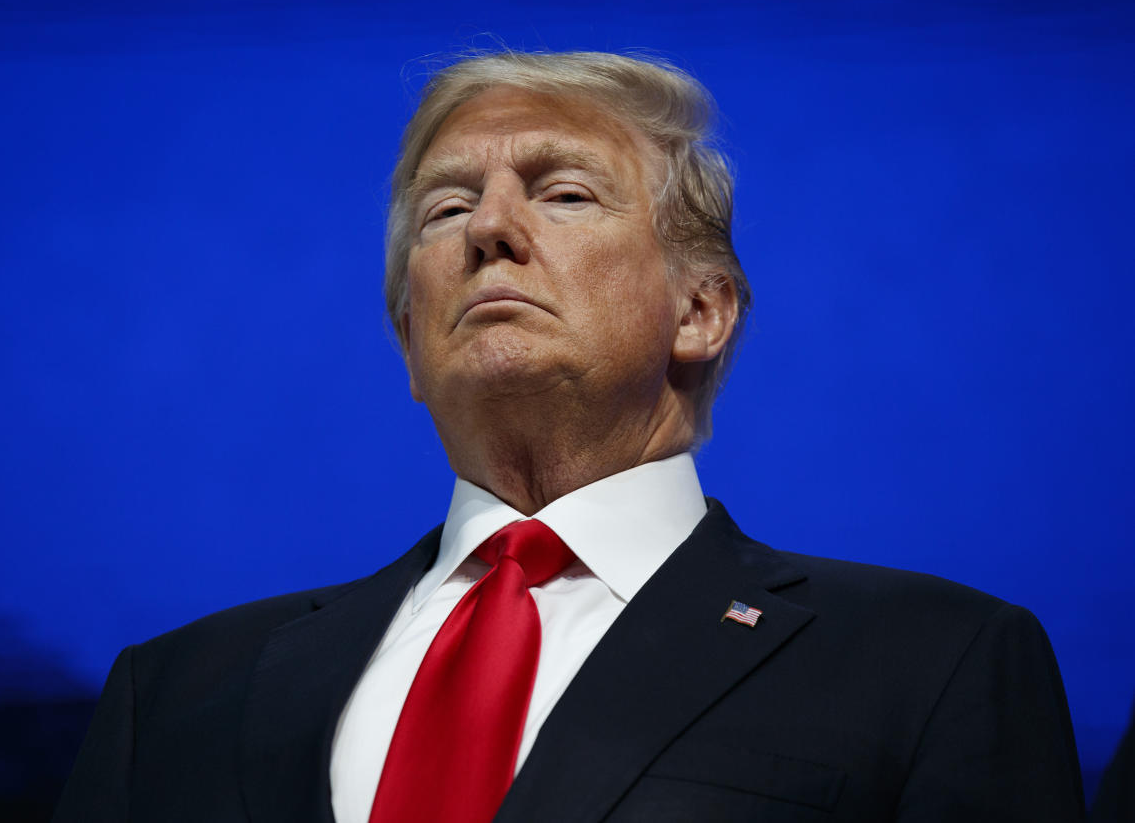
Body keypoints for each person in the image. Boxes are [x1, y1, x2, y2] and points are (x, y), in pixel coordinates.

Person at [53, 51, 1085, 822]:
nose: (490, 229)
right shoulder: (177, 693)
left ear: (701, 311)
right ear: (409, 342)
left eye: (563, 193)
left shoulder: (933, 662)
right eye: (446, 208)